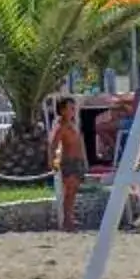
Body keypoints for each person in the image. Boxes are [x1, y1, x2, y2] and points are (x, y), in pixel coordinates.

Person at [48, 94, 88, 231]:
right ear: (63, 110)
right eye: (70, 108)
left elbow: (79, 144)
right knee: (69, 192)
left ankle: (70, 217)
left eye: (73, 108)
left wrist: (84, 161)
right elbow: (53, 144)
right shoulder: (61, 126)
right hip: (69, 161)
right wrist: (52, 160)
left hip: (77, 161)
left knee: (74, 192)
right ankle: (67, 220)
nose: (73, 110)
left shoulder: (73, 124)